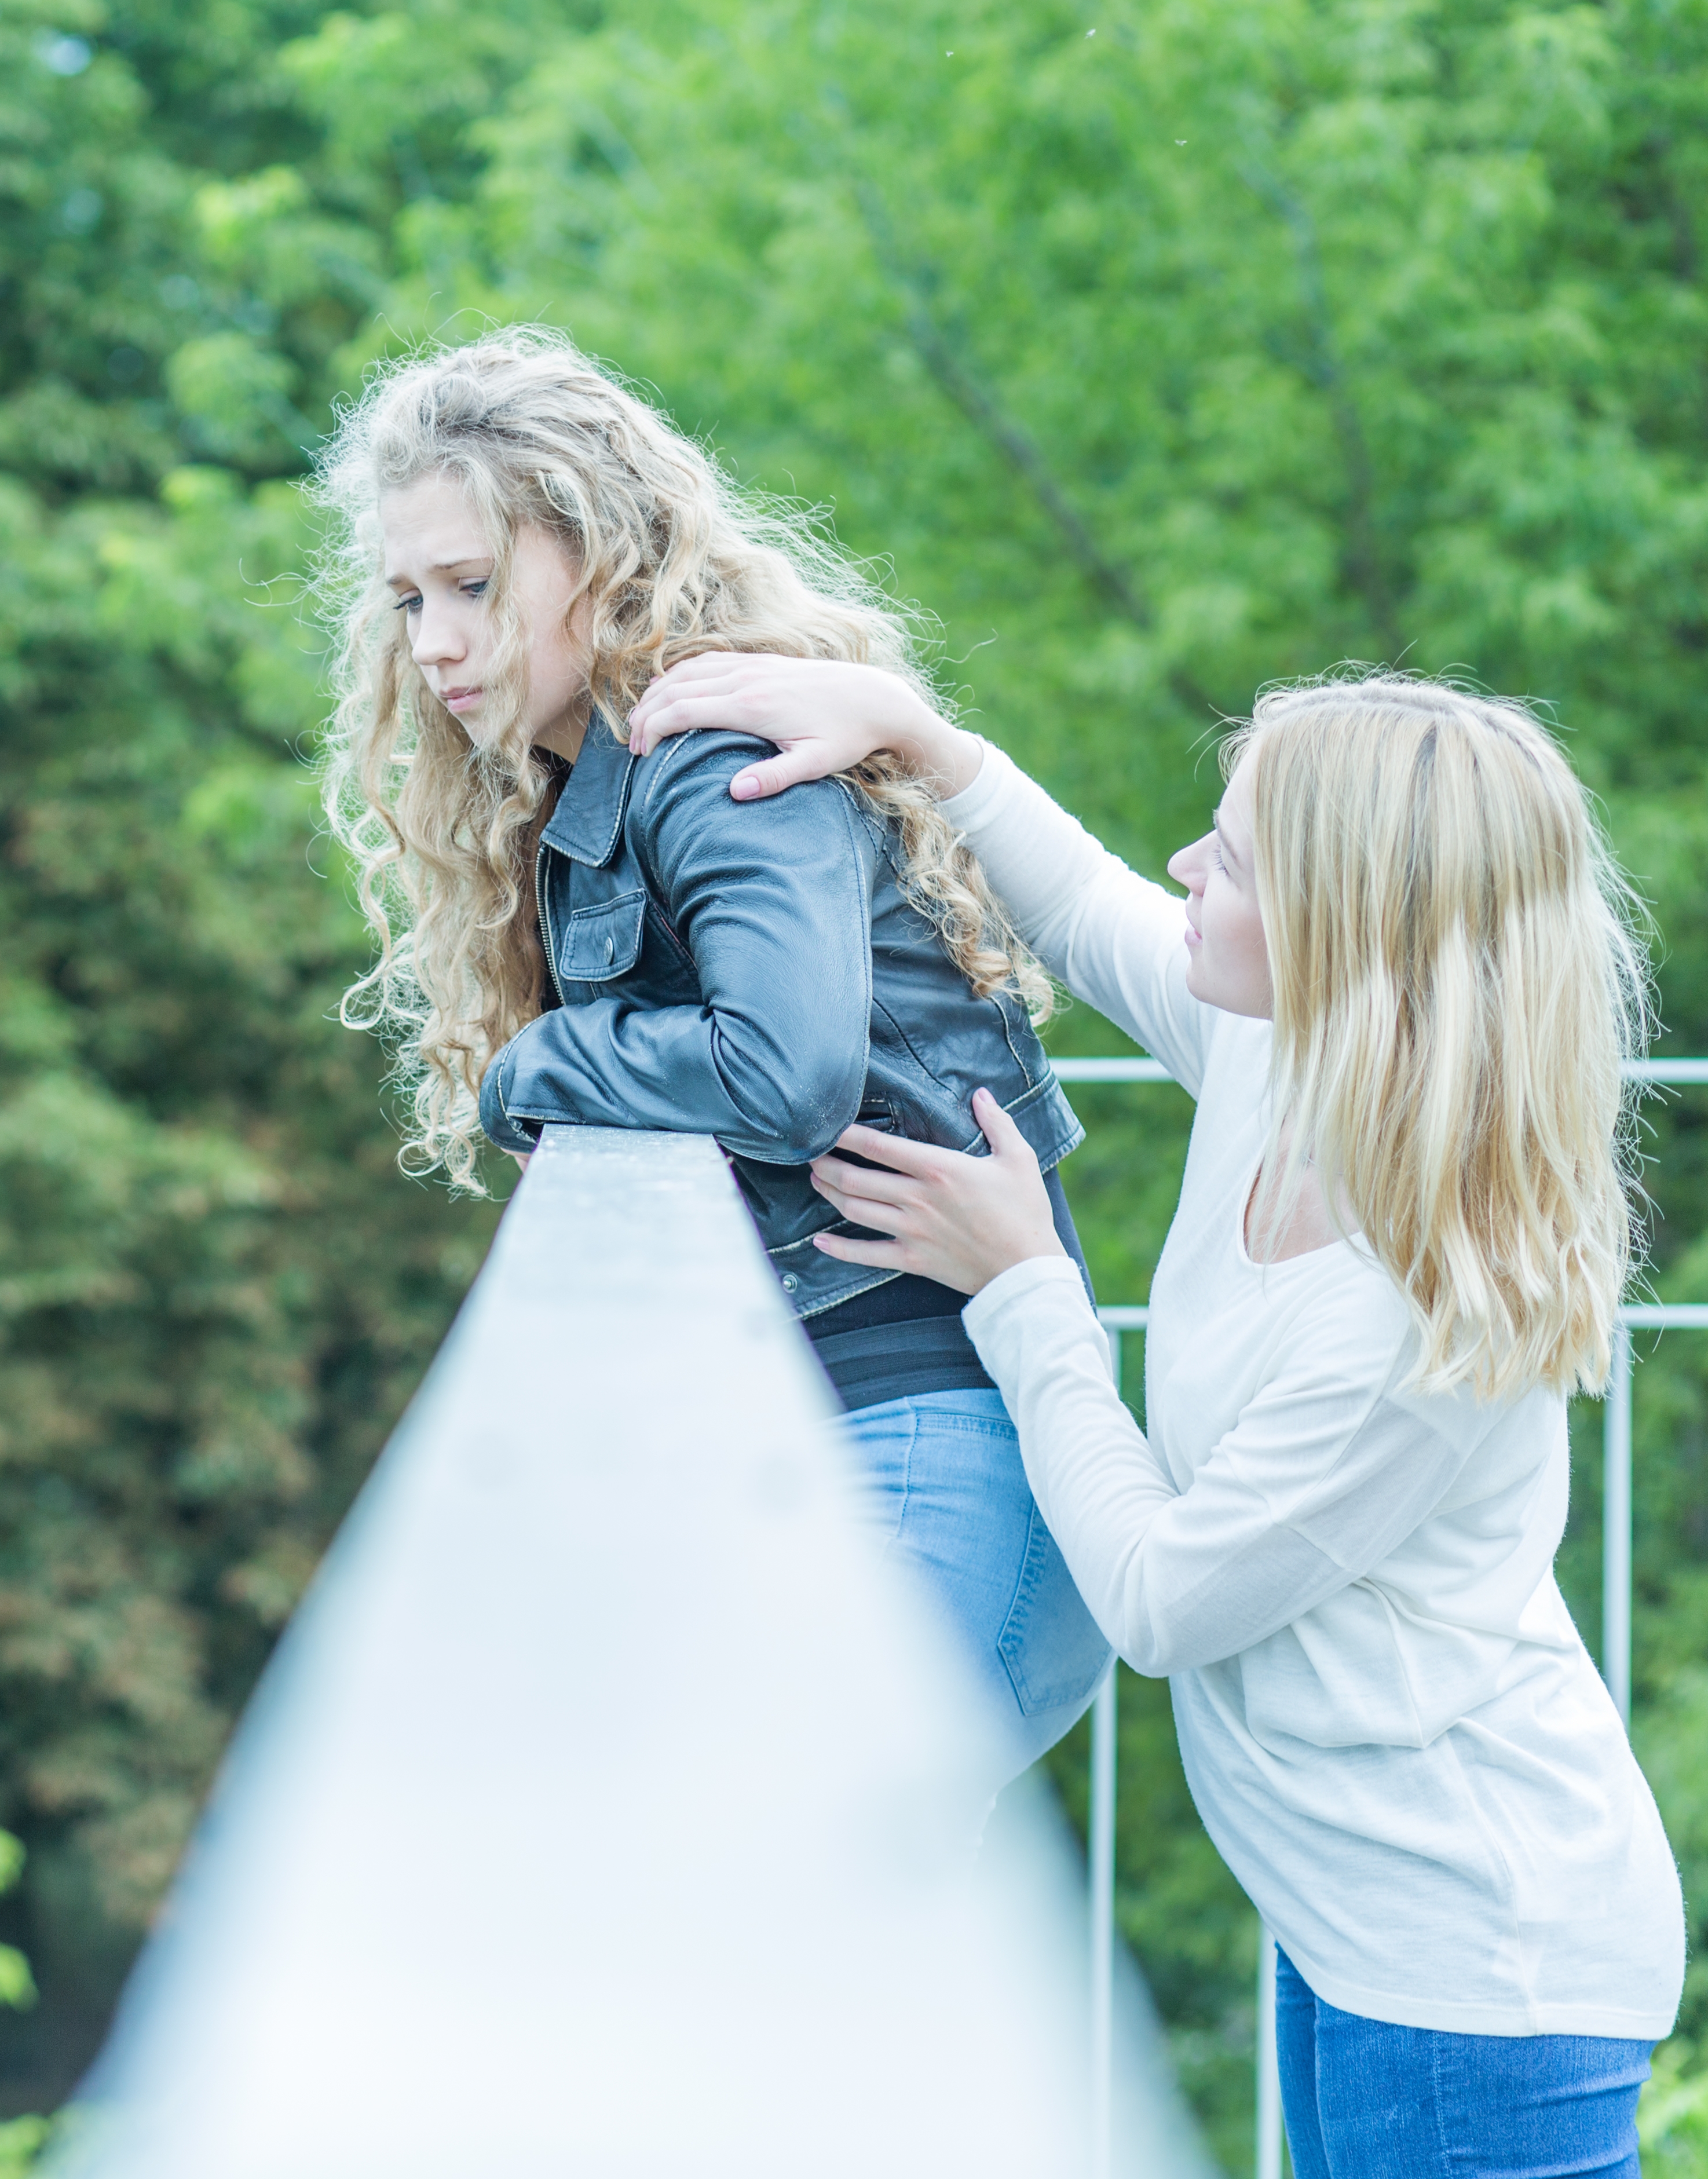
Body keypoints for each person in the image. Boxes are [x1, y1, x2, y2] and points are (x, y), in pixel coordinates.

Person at [627, 652, 1682, 2178]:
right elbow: (1098, 913)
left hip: (1475, 1951)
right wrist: (919, 735)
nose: (1185, 866)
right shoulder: (1290, 1066)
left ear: (1340, 934)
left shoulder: (1404, 1318)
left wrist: (1024, 1285)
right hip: (1363, 1914)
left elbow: (1159, 1600)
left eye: (1233, 859)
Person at [313, 328, 1111, 1777]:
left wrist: (531, 1070)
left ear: (598, 554)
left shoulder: (697, 751)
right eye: (407, 597)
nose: (430, 644)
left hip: (932, 1446)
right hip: (846, 1439)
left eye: (473, 587)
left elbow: (778, 1071)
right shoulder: (593, 770)